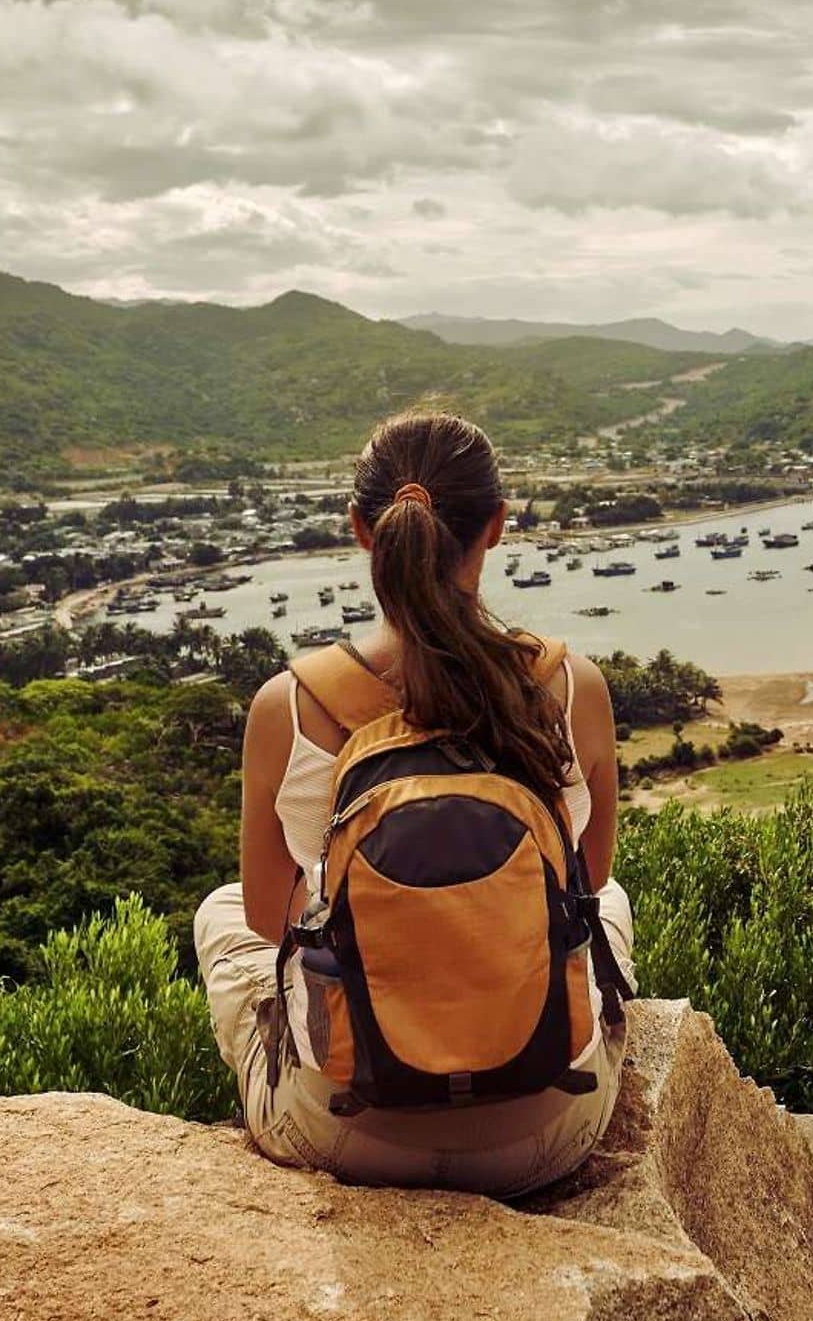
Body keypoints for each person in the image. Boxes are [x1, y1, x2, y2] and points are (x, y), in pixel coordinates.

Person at [193, 411, 633, 1196]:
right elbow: (586, 883)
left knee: (222, 911)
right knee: (613, 902)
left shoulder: (287, 707)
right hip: (547, 1129)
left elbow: (271, 920)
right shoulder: (573, 689)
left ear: (363, 530)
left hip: (348, 1131)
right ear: (496, 526)